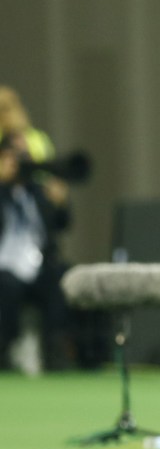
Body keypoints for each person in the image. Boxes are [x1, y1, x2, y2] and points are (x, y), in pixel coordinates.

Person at [0, 133, 73, 371]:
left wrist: (61, 202)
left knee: (61, 277)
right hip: (5, 266)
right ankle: (7, 351)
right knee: (6, 285)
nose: (21, 161)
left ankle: (55, 352)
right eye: (14, 155)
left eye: (25, 155)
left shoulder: (39, 193)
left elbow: (63, 225)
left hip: (37, 265)